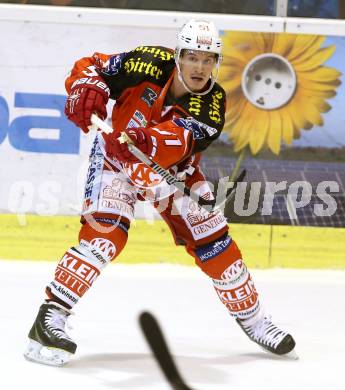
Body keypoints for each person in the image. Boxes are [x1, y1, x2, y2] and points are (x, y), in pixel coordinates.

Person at [24, 19, 296, 366]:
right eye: (192, 57)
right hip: (115, 163)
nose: (199, 67)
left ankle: (255, 321)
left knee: (216, 245)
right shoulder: (148, 61)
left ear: (217, 63)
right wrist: (85, 88)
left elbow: (179, 140)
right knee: (104, 238)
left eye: (208, 59)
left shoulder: (212, 103)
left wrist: (144, 139)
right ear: (178, 55)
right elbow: (92, 66)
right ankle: (51, 317)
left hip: (171, 172)